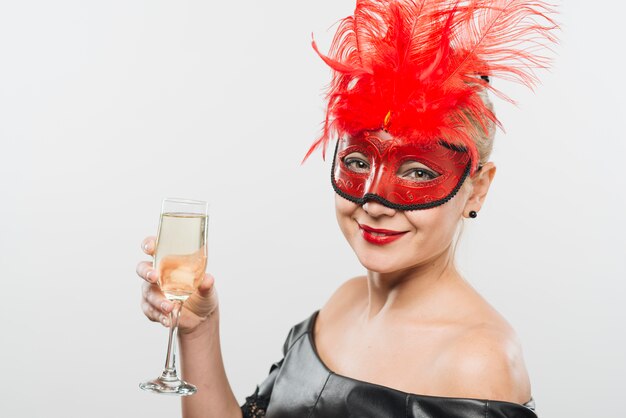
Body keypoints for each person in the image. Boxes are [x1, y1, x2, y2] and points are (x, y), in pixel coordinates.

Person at [136, 1, 557, 416]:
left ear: (478, 189)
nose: (373, 203)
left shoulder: (477, 362)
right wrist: (198, 330)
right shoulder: (343, 302)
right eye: (358, 162)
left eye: (418, 172)